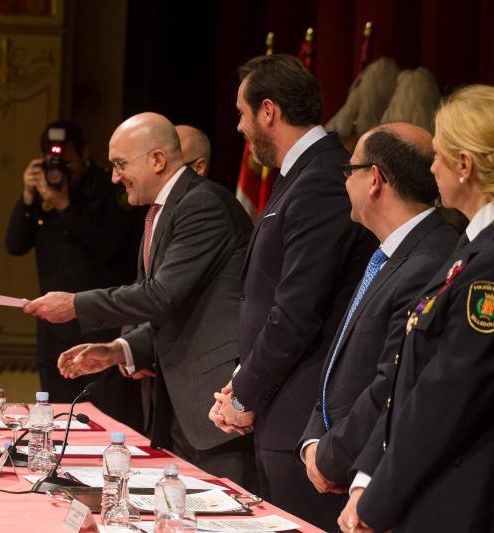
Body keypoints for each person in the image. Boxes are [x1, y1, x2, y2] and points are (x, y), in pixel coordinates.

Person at [24, 113, 258, 489]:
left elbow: (161, 296)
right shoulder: (161, 213)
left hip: (218, 412)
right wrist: (118, 350)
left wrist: (75, 304)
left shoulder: (203, 206)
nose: (114, 177)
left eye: (120, 164)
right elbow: (177, 308)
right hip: (181, 410)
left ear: (157, 161)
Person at [208, 53, 376, 529]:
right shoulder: (299, 176)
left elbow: (298, 310)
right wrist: (243, 386)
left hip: (306, 415)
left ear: (268, 111)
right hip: (280, 410)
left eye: (242, 113)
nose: (239, 127)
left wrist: (244, 395)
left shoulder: (323, 178)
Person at [338, 85, 494, 533]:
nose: (431, 168)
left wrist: (377, 500)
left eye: (439, 156)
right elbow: (412, 378)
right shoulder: (469, 247)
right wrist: (368, 475)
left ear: (464, 166)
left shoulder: (488, 264)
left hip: (461, 498)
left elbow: (446, 397)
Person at [295, 123, 458, 522]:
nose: (344, 181)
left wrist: (329, 457)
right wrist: (313, 441)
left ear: (375, 179)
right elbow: (342, 360)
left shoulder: (430, 260)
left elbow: (393, 380)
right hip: (342, 465)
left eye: (349, 170)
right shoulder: (389, 251)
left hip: (376, 483)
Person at [4, 120, 143, 431]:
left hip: (102, 333)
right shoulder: (42, 194)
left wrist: (65, 206)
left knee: (107, 427)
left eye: (67, 162)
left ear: (85, 153)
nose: (60, 170)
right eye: (53, 161)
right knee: (58, 424)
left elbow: (112, 248)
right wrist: (28, 197)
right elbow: (14, 244)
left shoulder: (112, 189)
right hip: (54, 335)